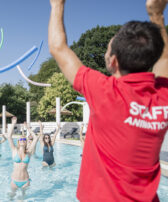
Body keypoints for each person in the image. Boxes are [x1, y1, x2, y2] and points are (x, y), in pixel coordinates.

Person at [48, 0, 168, 201]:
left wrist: (57, 4)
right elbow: (164, 59)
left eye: (107, 49)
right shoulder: (162, 97)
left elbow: (57, 48)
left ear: (113, 62)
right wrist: (156, 14)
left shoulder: (105, 92)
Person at [7, 117, 41, 197]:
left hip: (25, 181)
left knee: (22, 198)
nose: (22, 140)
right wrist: (13, 124)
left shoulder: (29, 152)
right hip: (14, 180)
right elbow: (9, 136)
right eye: (20, 139)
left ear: (26, 142)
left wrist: (28, 128)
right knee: (11, 196)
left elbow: (35, 138)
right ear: (18, 142)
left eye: (24, 139)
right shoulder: (14, 150)